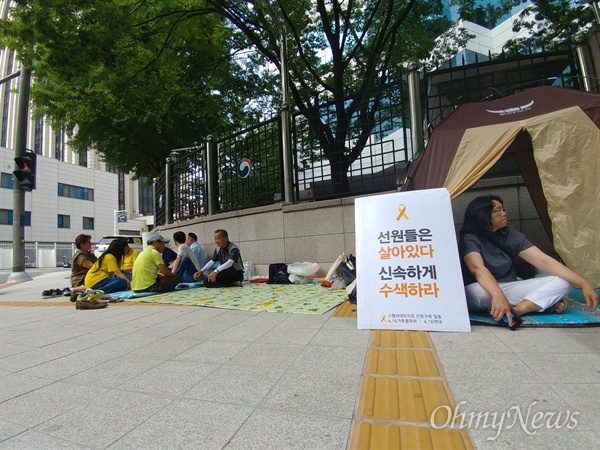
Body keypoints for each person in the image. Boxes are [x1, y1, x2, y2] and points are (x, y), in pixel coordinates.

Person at [459, 195, 598, 328]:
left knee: (564, 282)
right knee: (477, 292)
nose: (503, 213)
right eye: (498, 210)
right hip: (485, 289)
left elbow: (543, 261)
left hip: (510, 287)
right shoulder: (469, 238)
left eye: (503, 209)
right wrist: (497, 295)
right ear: (482, 215)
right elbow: (477, 269)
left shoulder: (508, 234)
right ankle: (540, 304)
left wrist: (582, 282)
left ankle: (519, 309)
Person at [70, 234, 97, 300]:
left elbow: (98, 263)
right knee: (98, 286)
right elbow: (93, 267)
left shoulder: (90, 255)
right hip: (80, 279)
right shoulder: (79, 256)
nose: (91, 243)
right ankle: (74, 290)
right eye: (89, 242)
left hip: (88, 277)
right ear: (82, 244)